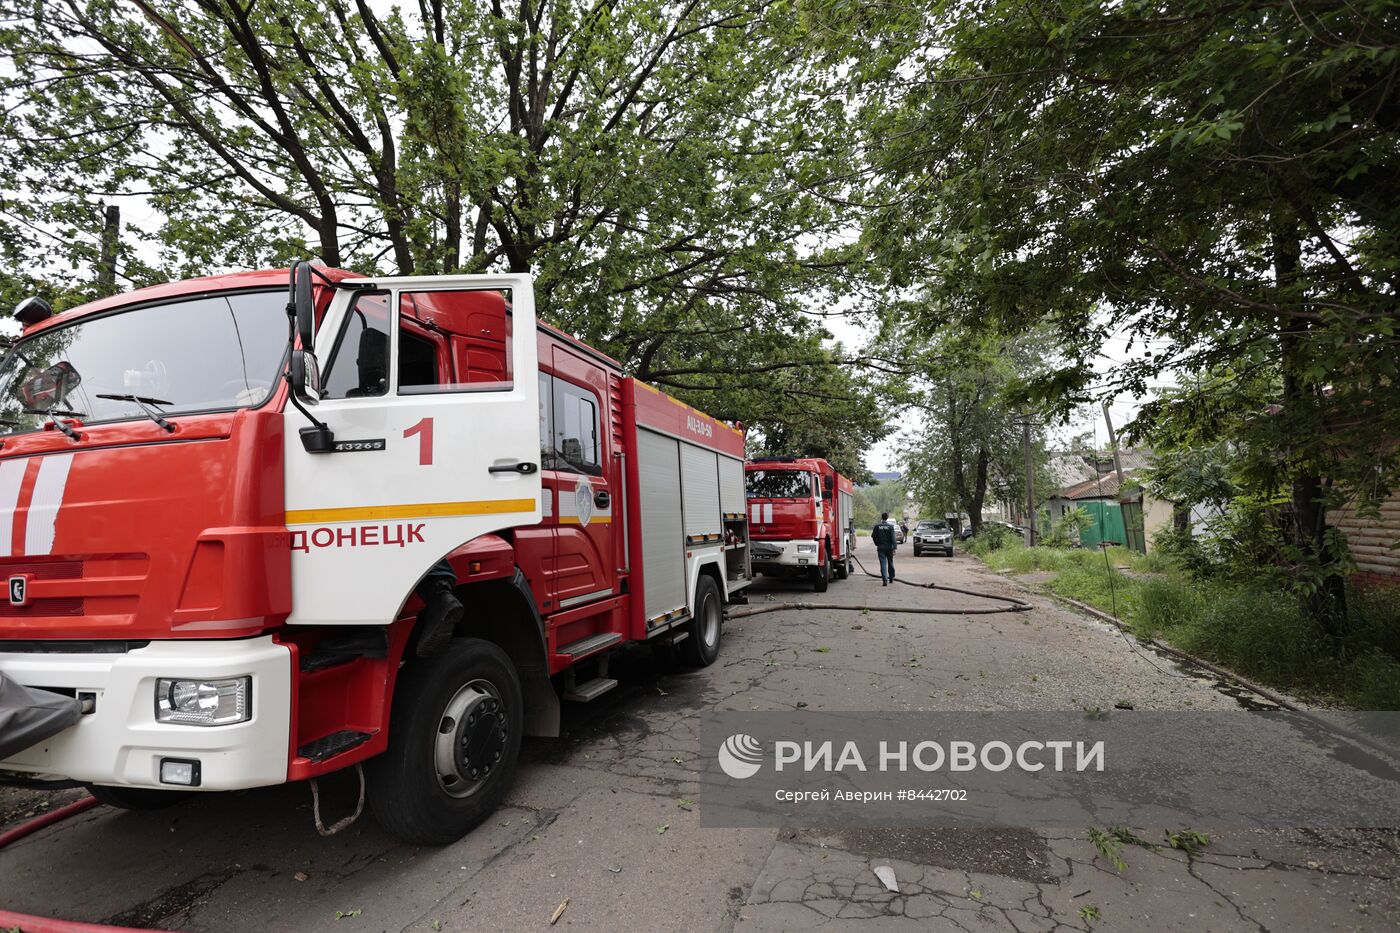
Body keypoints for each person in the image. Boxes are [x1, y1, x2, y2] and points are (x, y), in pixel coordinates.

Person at [871, 511, 898, 586]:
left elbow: (873, 536)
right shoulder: (890, 526)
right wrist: (894, 547)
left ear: (881, 517)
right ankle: (891, 578)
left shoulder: (877, 526)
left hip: (881, 547)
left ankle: (885, 579)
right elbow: (893, 538)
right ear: (887, 518)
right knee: (890, 562)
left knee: (883, 563)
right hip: (889, 547)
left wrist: (876, 543)